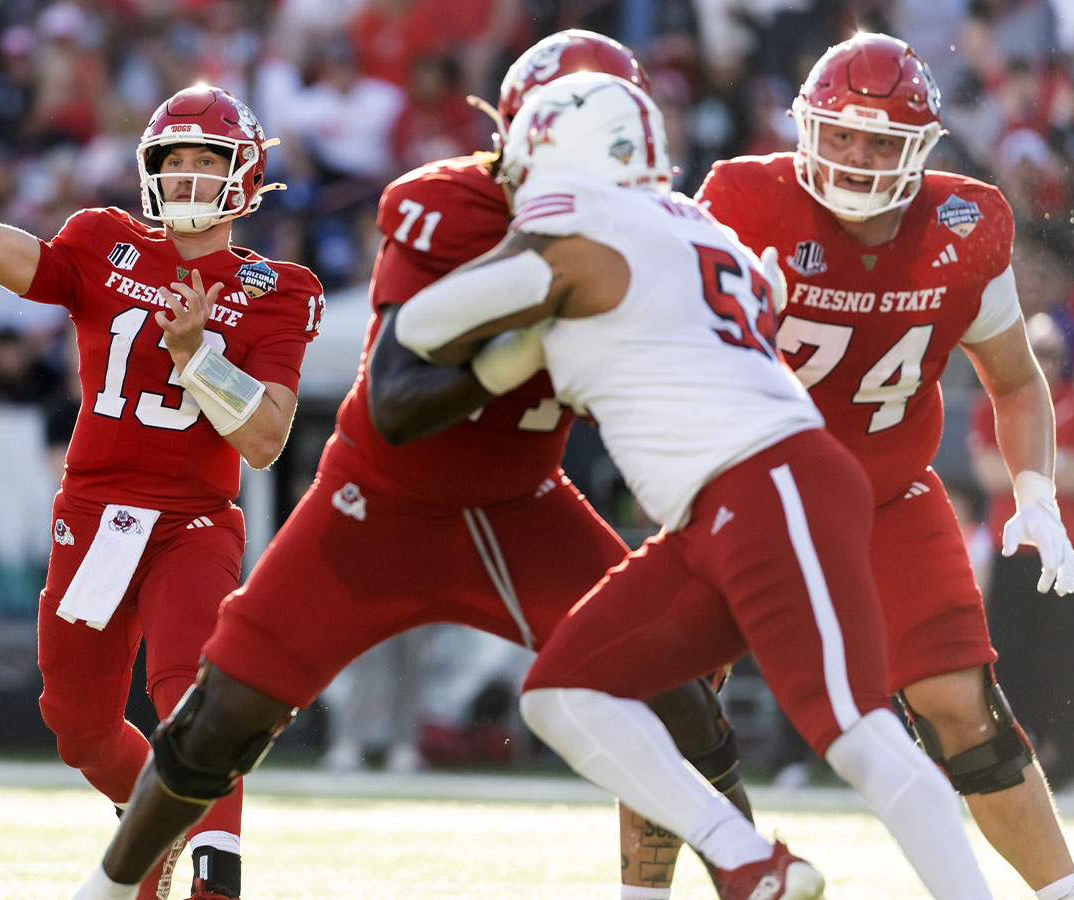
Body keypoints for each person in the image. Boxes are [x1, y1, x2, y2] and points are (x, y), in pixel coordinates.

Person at [71, 32, 752, 900]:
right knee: (222, 715)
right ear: (520, 134)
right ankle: (105, 889)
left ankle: (746, 872)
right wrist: (542, 324)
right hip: (379, 497)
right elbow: (397, 400)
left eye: (620, 144)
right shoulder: (445, 204)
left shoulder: (660, 232)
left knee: (677, 686)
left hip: (524, 501)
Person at [401, 72, 994, 900]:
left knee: (855, 732)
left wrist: (507, 336)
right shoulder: (691, 231)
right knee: (564, 692)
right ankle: (748, 859)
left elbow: (424, 326)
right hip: (713, 507)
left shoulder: (591, 242)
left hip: (767, 479)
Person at [0, 72, 323, 900]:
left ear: (243, 176)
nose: (186, 179)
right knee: (79, 727)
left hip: (192, 522)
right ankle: (156, 833)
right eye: (174, 161)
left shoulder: (279, 289)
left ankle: (216, 873)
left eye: (207, 161)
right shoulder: (103, 240)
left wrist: (198, 358)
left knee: (190, 695)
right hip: (93, 516)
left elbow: (267, 440)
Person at [698, 32, 1074, 900]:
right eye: (840, 134)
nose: (857, 157)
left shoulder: (964, 224)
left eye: (881, 141)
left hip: (884, 494)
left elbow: (1017, 381)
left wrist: (1036, 493)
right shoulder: (740, 198)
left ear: (920, 149)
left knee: (967, 712)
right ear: (805, 128)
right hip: (743, 487)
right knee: (674, 703)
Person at [969, 316, 1074, 786]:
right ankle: (1014, 757)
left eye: (1051, 352)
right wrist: (1047, 484)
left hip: (1067, 546)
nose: (1044, 361)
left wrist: (1028, 482)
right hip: (1014, 549)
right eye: (1036, 350)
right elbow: (987, 473)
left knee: (1068, 657)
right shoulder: (993, 404)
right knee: (1010, 657)